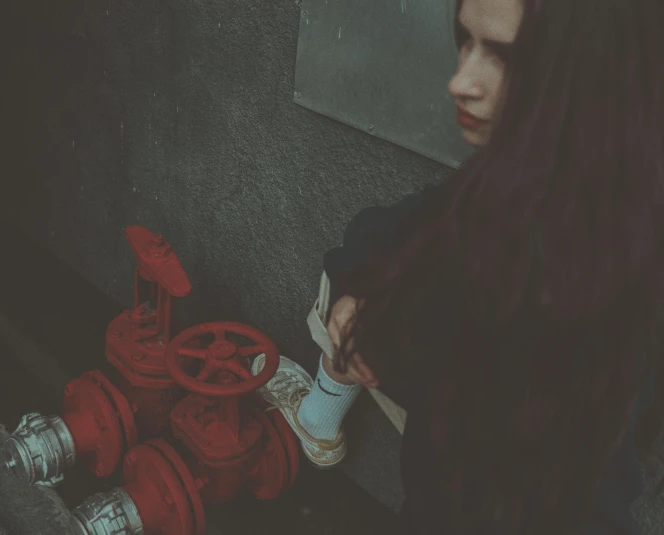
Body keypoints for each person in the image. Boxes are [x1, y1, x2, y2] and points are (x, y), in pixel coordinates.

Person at [251, 0, 664, 533]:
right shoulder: (518, 175)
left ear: (585, 69)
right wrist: (358, 295)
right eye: (465, 42)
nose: (460, 80)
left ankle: (319, 414)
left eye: (504, 55)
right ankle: (319, 418)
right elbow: (395, 225)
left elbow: (585, 505)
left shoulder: (600, 277)